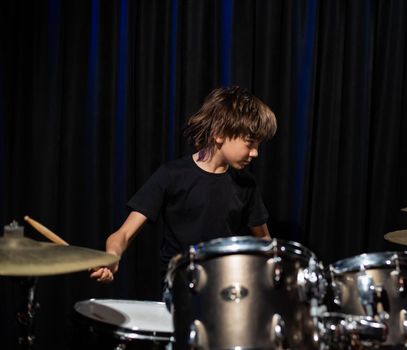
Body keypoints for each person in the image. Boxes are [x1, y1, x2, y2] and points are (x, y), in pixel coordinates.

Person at [89, 86, 277, 283]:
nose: (255, 153)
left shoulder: (246, 184)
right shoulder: (172, 175)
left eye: (258, 146)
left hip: (227, 286)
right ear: (219, 134)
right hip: (180, 285)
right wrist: (111, 256)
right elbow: (123, 234)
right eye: (250, 143)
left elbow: (263, 241)